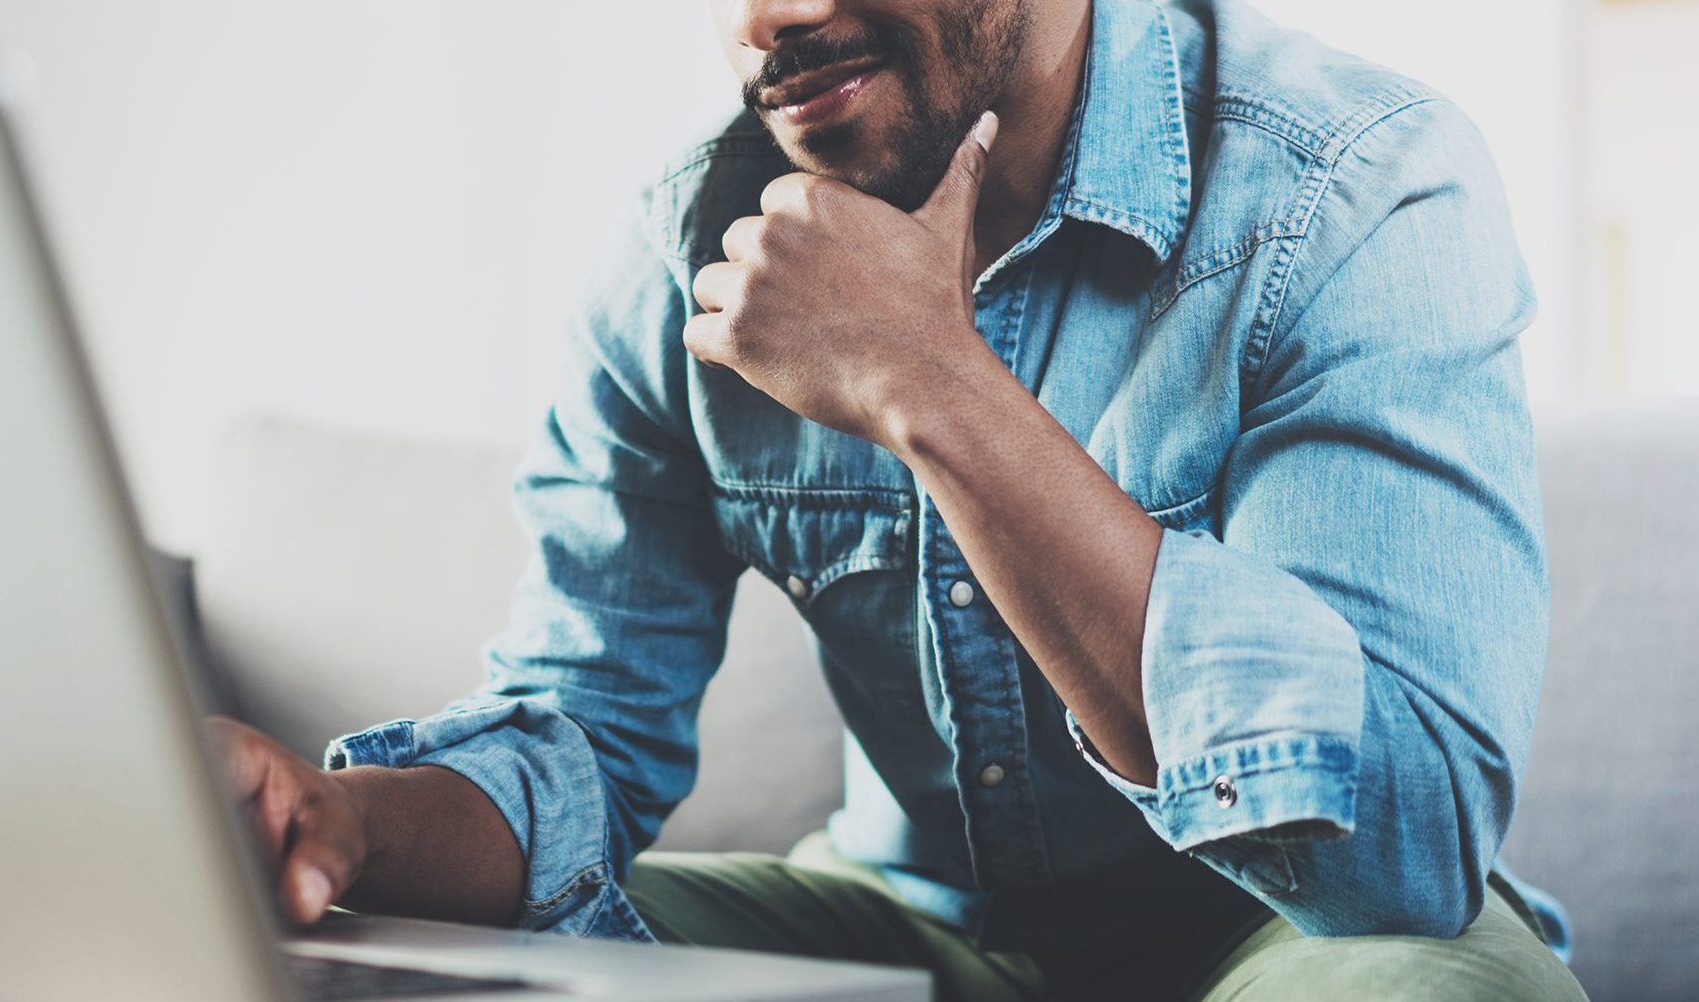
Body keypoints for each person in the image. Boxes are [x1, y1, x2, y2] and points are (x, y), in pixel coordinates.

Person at [210, 1, 1590, 998]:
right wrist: (352, 829)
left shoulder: (1349, 187)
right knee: (431, 965)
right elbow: (583, 735)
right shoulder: (680, 254)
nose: (776, 16)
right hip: (907, 921)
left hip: (1297, 937)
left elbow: (1403, 842)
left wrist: (931, 383)